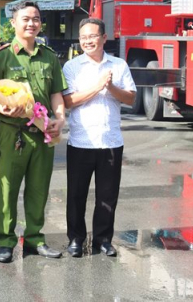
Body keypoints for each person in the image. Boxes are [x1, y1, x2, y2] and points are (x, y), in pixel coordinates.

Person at [0, 1, 65, 264]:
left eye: (36, 19)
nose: (32, 23)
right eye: (26, 19)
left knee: (39, 188)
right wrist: (3, 109)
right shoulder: (2, 56)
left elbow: (56, 93)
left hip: (43, 133)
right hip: (11, 132)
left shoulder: (50, 57)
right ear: (14, 23)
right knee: (7, 189)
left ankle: (34, 239)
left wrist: (60, 118)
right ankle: (5, 241)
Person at [62, 18, 136, 258]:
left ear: (104, 38)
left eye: (92, 36)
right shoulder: (72, 67)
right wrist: (96, 87)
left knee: (107, 196)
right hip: (80, 142)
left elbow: (131, 99)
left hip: (110, 142)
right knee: (76, 195)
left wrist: (111, 87)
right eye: (83, 37)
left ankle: (103, 240)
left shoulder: (119, 65)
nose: (87, 41)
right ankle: (75, 239)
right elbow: (67, 101)